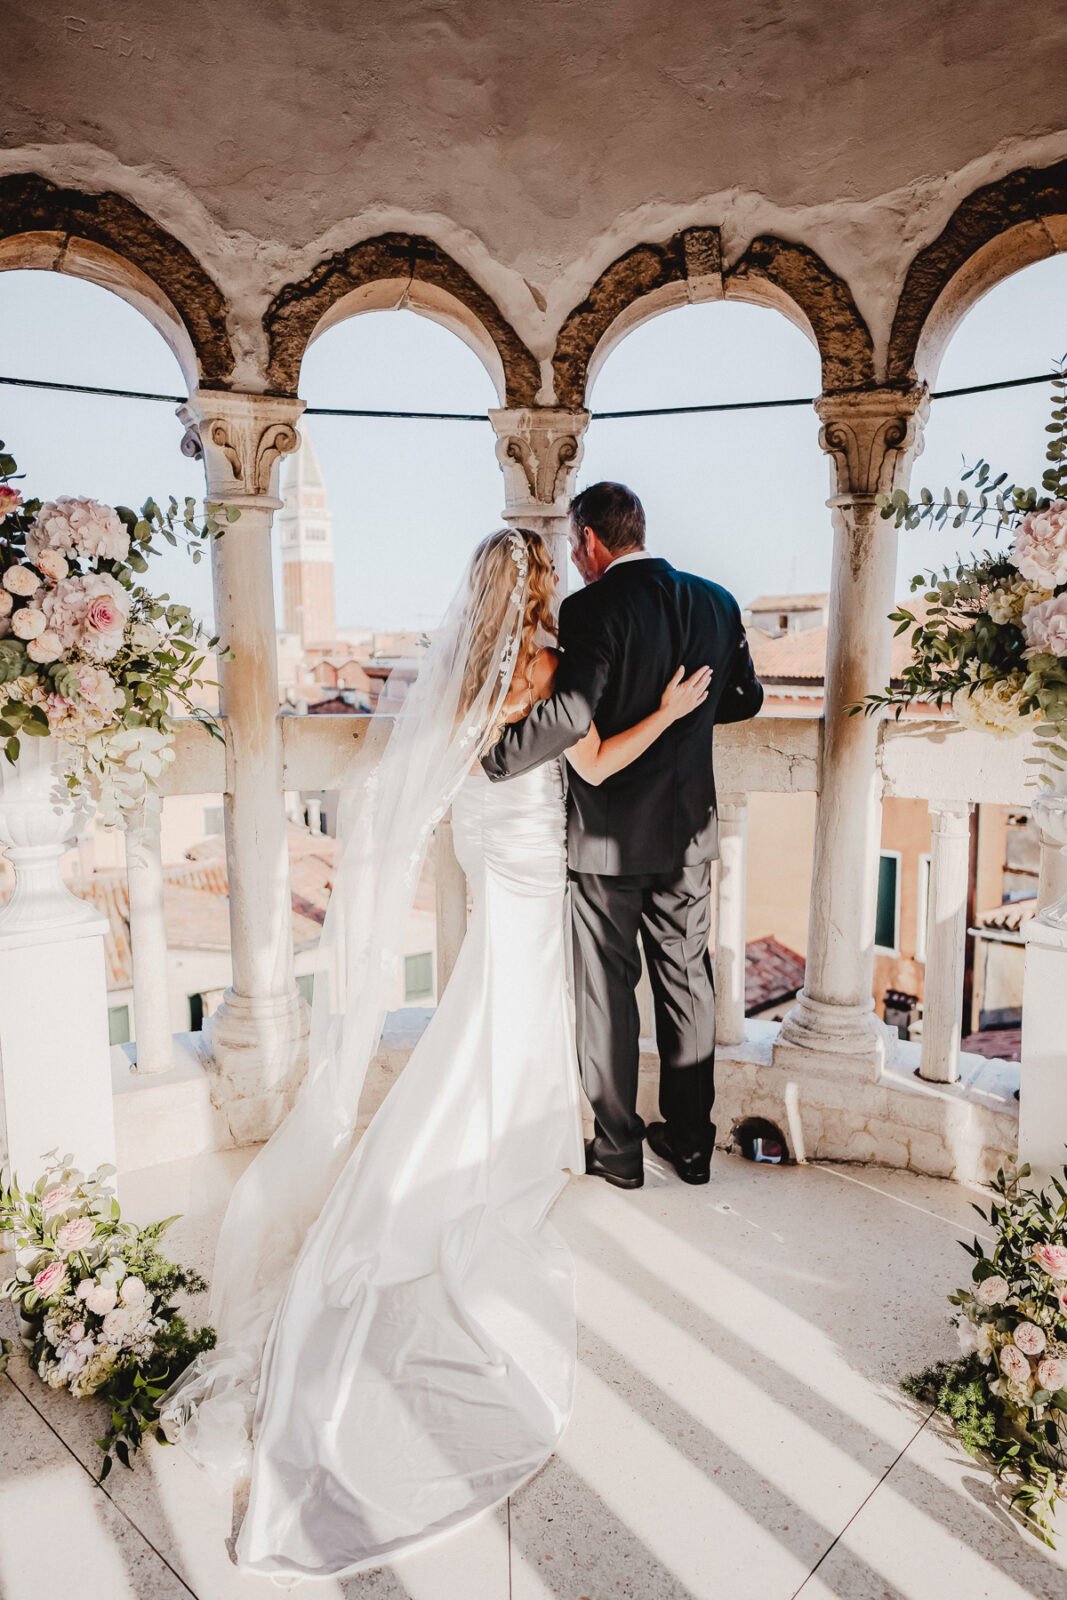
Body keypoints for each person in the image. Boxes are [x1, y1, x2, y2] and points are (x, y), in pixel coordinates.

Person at [161, 524, 709, 1579]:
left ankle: (468, 1155)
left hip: (485, 861)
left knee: (482, 1022)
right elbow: (592, 756)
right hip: (524, 876)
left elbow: (441, 781)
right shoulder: (550, 668)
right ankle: (482, 1169)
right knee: (511, 1028)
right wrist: (670, 712)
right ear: (543, 584)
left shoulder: (453, 673)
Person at [483, 481, 764, 1189]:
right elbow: (746, 698)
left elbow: (574, 714)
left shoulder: (590, 607)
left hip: (606, 841)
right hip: (689, 837)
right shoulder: (715, 599)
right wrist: (685, 720)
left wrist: (500, 758)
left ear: (588, 542)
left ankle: (617, 1152)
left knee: (607, 998)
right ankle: (693, 1148)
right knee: (687, 988)